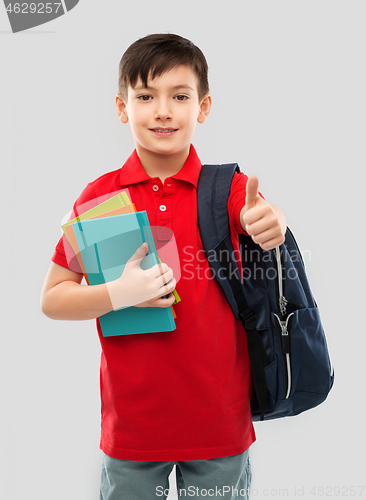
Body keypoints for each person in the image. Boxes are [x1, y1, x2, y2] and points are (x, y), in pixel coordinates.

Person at [40, 33, 286, 500]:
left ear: (204, 107)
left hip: (218, 421)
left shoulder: (224, 189)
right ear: (122, 107)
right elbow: (53, 297)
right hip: (133, 427)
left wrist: (271, 220)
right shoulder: (101, 199)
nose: (163, 111)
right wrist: (119, 294)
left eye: (180, 96)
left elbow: (262, 213)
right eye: (146, 96)